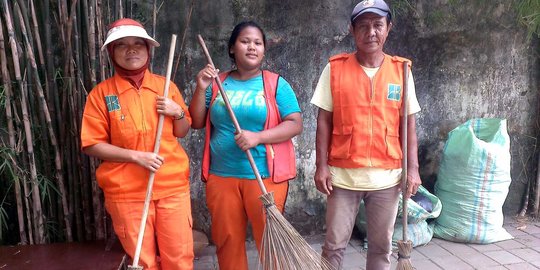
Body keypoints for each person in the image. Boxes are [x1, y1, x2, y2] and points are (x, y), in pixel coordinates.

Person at [310, 0, 422, 269]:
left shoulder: (401, 70)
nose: (370, 32)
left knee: (381, 248)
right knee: (333, 247)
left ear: (388, 28)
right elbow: (323, 120)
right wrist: (321, 166)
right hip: (343, 178)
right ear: (352, 30)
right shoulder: (335, 69)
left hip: (387, 178)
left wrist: (414, 169)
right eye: (363, 26)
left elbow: (408, 124)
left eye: (377, 25)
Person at [80, 18, 193, 270]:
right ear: (112, 52)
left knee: (180, 259)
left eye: (138, 44)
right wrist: (136, 156)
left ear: (148, 49)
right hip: (126, 192)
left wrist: (177, 113)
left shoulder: (165, 87)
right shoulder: (102, 95)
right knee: (143, 262)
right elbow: (91, 144)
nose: (131, 50)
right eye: (122, 45)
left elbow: (183, 130)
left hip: (171, 186)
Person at [189, 21, 302, 270]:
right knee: (227, 241)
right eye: (245, 41)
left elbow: (295, 123)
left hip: (265, 177)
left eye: (257, 43)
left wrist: (258, 137)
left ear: (263, 50)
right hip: (222, 177)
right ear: (232, 48)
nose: (252, 47)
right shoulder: (218, 83)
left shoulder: (275, 84)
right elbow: (196, 121)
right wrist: (201, 88)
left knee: (271, 242)